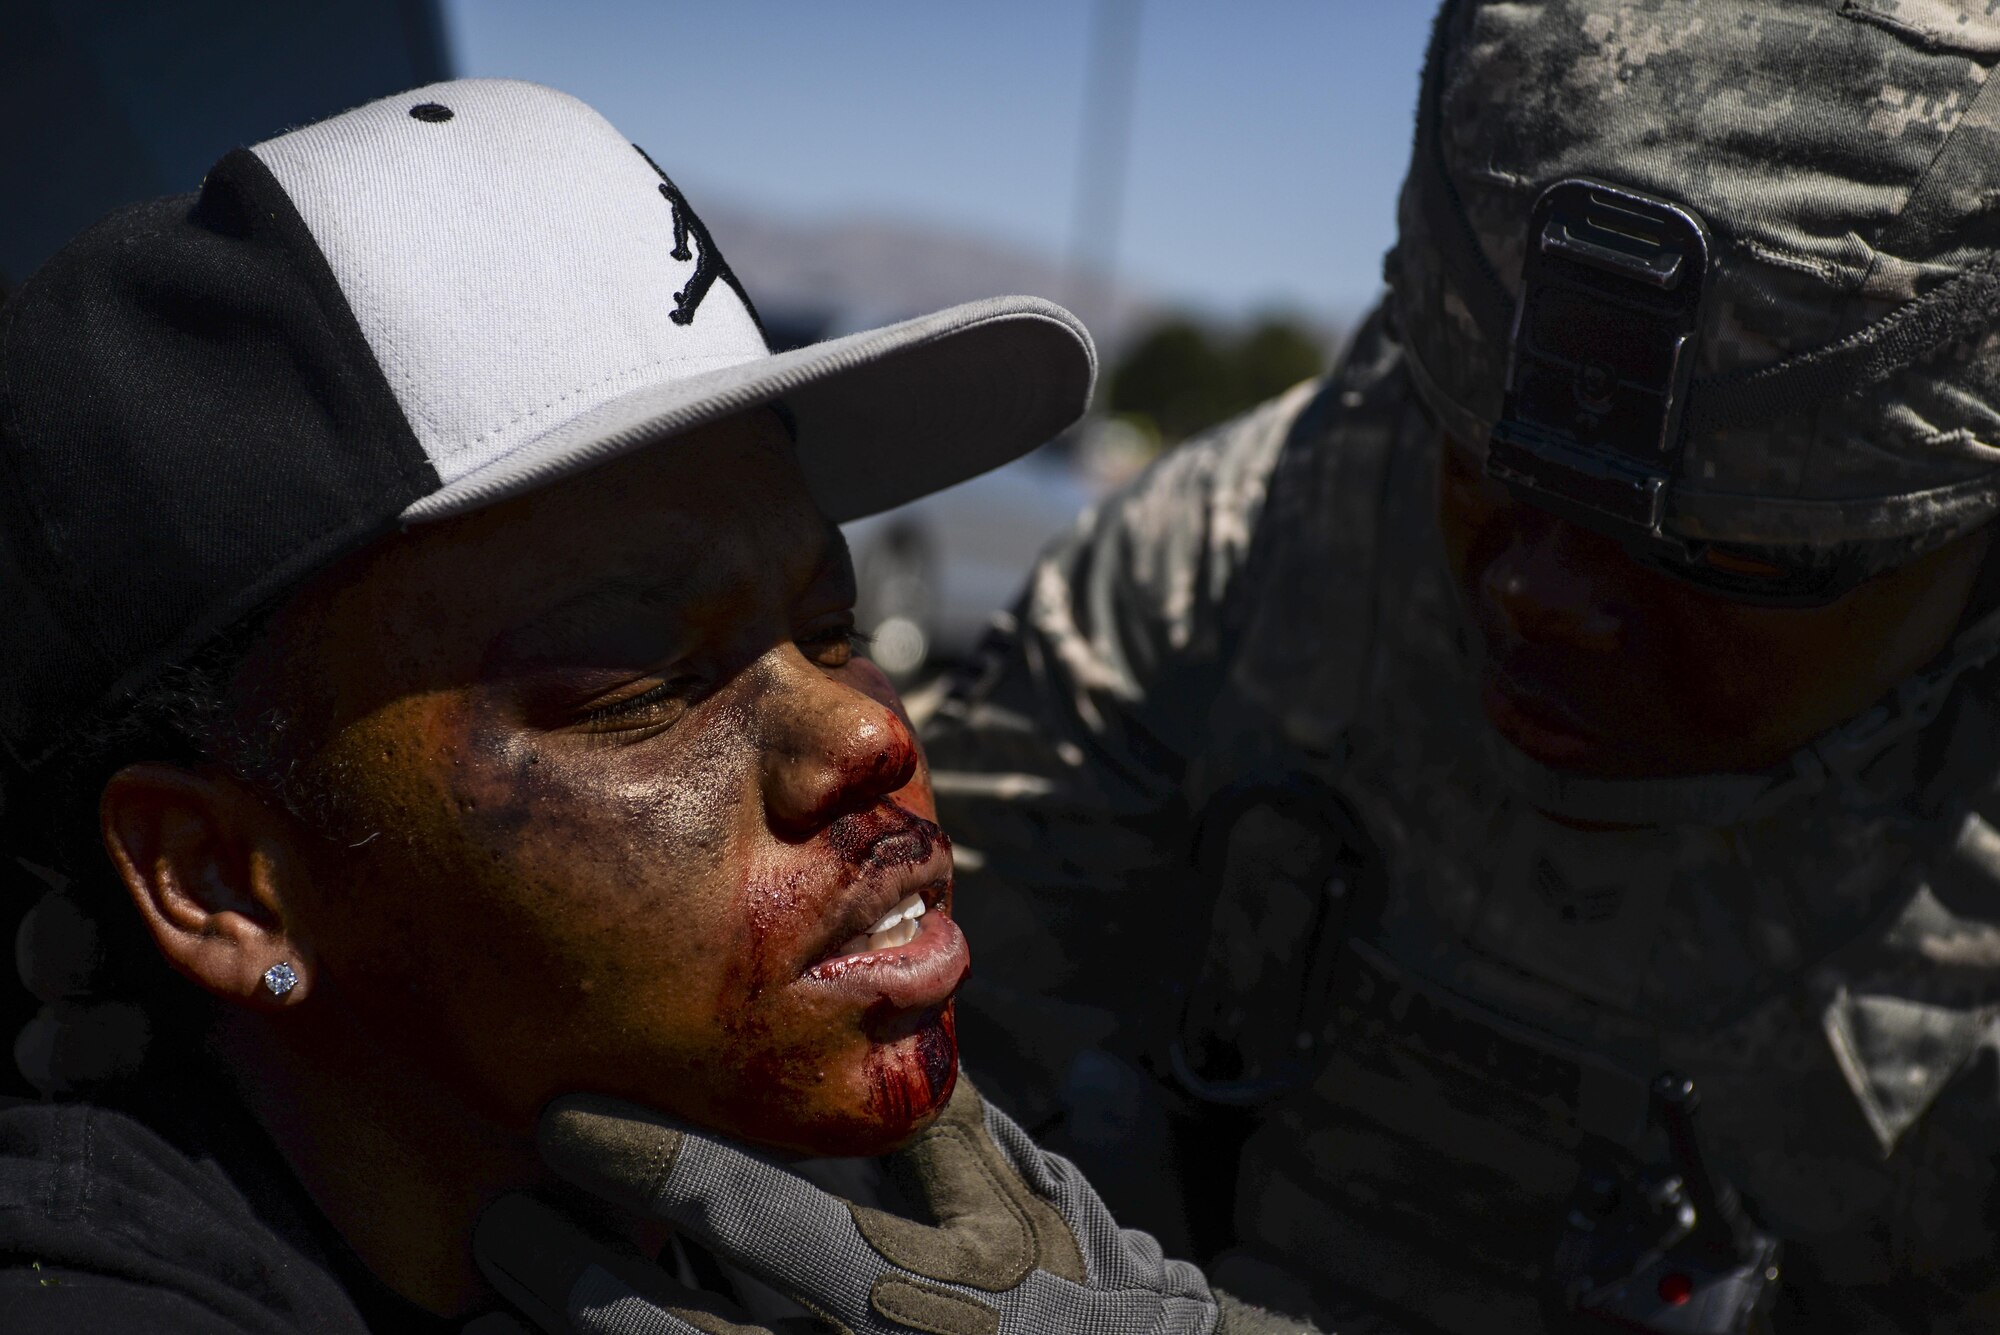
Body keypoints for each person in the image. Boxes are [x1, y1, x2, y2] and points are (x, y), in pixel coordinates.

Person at [0, 78, 1301, 1335]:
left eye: (830, 626)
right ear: (223, 877)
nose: (873, 736)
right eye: (644, 685)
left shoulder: (859, 1205)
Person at [922, 2, 2000, 1332]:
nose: (1535, 594)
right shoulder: (1248, 556)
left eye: (1723, 554)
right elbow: (901, 1114)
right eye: (1482, 465)